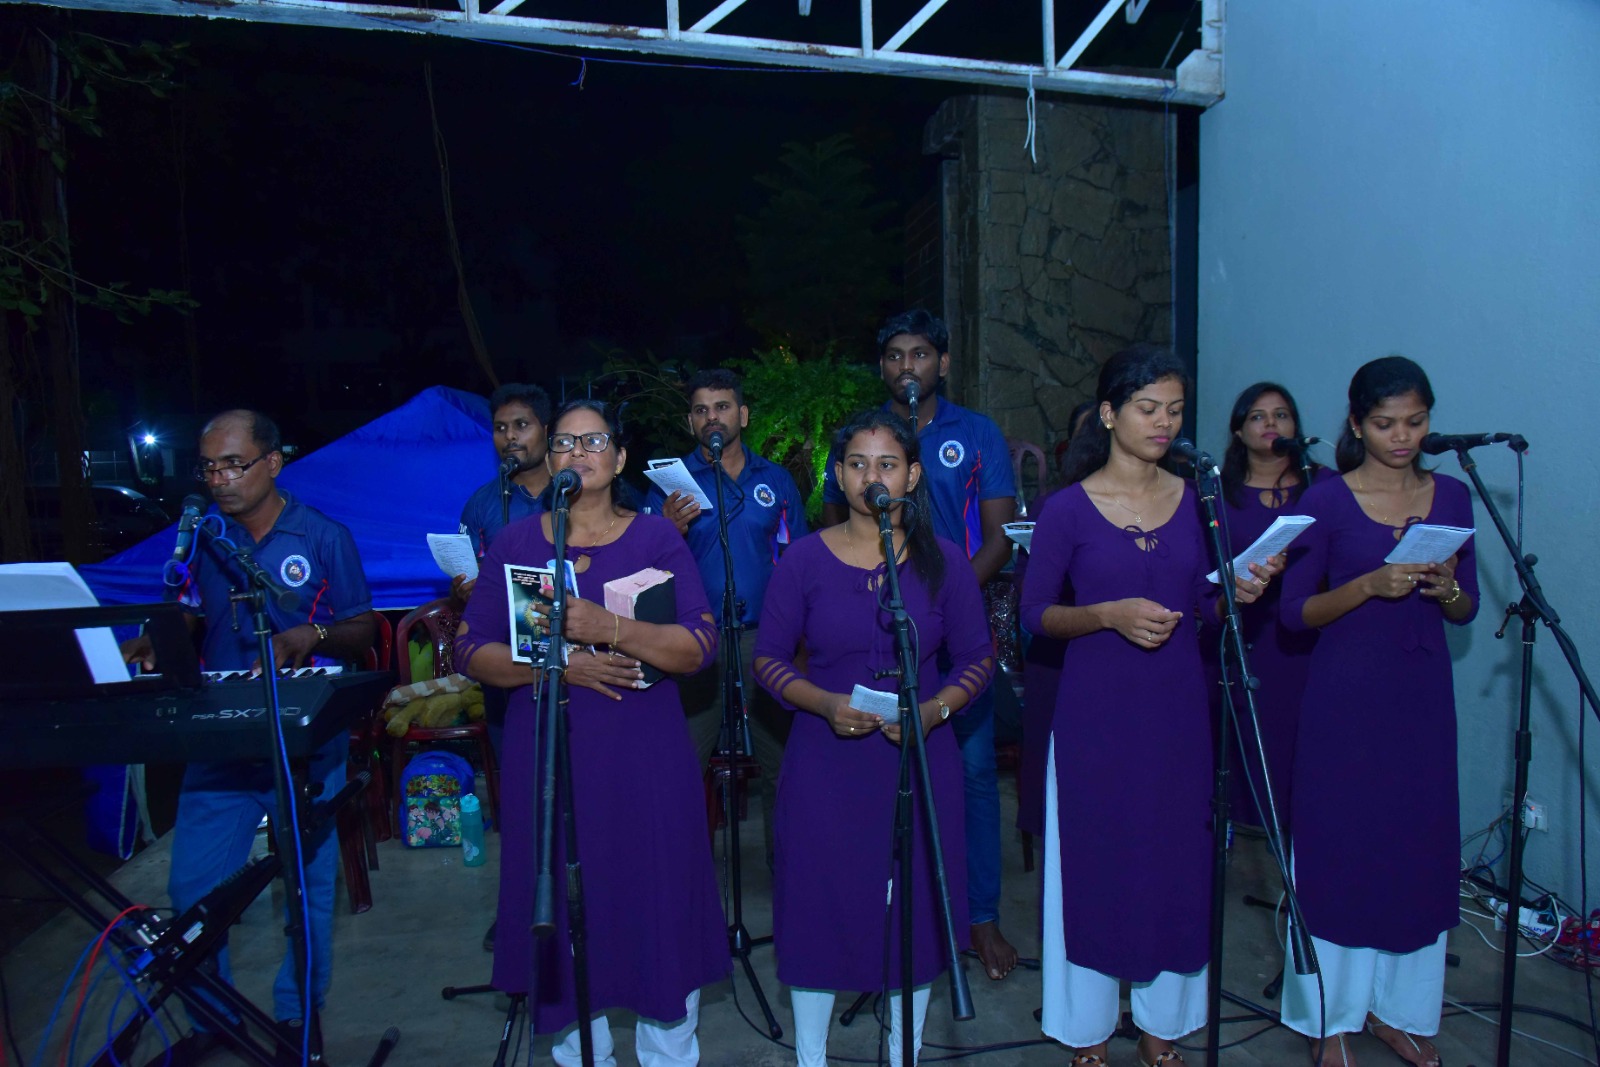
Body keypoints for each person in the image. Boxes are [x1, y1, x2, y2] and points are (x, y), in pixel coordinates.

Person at [1018, 346, 1277, 1067]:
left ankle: (1164, 1024)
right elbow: (1034, 615)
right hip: (1096, 717)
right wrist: (1104, 615)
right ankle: (1088, 1029)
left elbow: (1205, 600)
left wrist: (1237, 594)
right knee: (1094, 866)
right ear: (1108, 413)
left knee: (1175, 863)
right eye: (1147, 407)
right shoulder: (1067, 509)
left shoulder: (1201, 498)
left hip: (1177, 712)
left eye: (1175, 410)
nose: (1164, 423)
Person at [455, 399, 728, 1065]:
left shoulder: (658, 538)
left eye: (594, 441)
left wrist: (607, 627)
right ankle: (585, 1053)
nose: (578, 454)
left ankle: (669, 1054)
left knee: (657, 902)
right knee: (566, 909)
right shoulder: (519, 544)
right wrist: (559, 666)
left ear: (620, 457)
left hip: (647, 759)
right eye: (565, 444)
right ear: (550, 461)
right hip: (548, 756)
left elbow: (699, 646)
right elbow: (470, 649)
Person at [120, 410, 376, 1064]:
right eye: (209, 466)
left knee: (306, 895)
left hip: (304, 745)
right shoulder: (205, 537)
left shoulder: (322, 536)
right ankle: (212, 1018)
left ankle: (296, 1018)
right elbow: (195, 613)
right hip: (222, 745)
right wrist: (163, 637)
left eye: (233, 463)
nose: (219, 478)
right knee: (194, 894)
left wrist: (307, 636)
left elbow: (363, 626)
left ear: (273, 462)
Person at [755, 409, 994, 1066]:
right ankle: (812, 1056)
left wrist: (936, 709)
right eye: (857, 464)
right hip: (824, 762)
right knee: (816, 904)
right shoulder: (803, 558)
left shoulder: (945, 560)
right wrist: (824, 702)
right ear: (838, 475)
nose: (872, 476)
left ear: (912, 475)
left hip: (920, 757)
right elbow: (769, 659)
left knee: (913, 906)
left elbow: (978, 656)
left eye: (887, 463)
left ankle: (903, 1053)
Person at [1278, 357, 1476, 1067]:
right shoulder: (1327, 501)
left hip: (1420, 703)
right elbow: (1295, 613)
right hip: (1344, 703)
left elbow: (1467, 610)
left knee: (1413, 852)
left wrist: (1446, 586)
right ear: (1357, 423)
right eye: (1386, 423)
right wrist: (1368, 583)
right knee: (1340, 853)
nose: (1403, 436)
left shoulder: (1452, 495)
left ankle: (1400, 1009)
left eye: (1416, 422)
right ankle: (1328, 1019)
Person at [822, 309, 1020, 980]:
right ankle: (889, 915)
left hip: (954, 630)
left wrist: (945, 597)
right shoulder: (862, 439)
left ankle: (980, 914)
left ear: (943, 362)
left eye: (921, 354)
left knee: (971, 772)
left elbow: (996, 537)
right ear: (883, 368)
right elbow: (833, 529)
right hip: (877, 628)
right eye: (895, 356)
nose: (909, 366)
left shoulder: (979, 433)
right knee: (885, 775)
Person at [645, 368, 807, 865]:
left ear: (742, 414)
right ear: (690, 420)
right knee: (681, 762)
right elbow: (643, 570)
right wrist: (666, 529)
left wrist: (800, 638)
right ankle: (680, 878)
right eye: (700, 409)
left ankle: (792, 877)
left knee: (784, 762)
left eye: (721, 407)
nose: (711, 417)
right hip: (695, 642)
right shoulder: (668, 487)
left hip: (766, 640)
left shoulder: (775, 480)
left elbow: (800, 563)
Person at [1208, 382, 1330, 830]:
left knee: (1310, 747)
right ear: (1239, 431)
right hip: (1248, 633)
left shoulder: (1324, 484)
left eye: (1282, 415)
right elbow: (1207, 568)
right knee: (1255, 747)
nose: (1271, 424)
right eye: (1258, 416)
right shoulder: (1217, 493)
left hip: (1312, 638)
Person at [455, 382, 554, 606]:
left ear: (547, 432)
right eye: (500, 428)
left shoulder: (573, 494)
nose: (509, 436)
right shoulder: (480, 504)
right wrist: (461, 590)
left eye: (521, 425)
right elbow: (462, 584)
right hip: (500, 628)